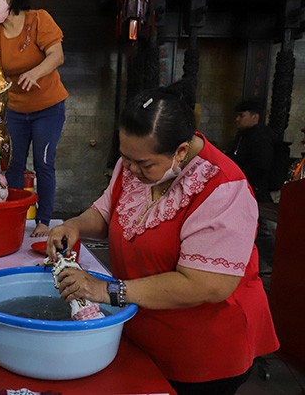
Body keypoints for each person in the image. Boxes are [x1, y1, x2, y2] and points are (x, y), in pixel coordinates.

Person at [46, 83, 278, 395]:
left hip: (204, 350)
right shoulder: (135, 163)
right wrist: (73, 225)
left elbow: (206, 284)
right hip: (142, 333)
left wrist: (104, 289)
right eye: (125, 157)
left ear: (181, 151)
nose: (129, 169)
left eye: (142, 164)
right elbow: (105, 213)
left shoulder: (222, 187)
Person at [0, 0, 68, 238]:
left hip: (48, 108)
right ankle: (11, 218)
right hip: (15, 110)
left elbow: (56, 55)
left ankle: (43, 220)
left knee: (44, 163)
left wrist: (35, 73)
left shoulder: (38, 19)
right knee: (13, 164)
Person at [229, 98, 275, 203]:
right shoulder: (242, 134)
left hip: (255, 188)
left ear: (255, 117)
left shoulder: (261, 137)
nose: (237, 119)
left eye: (241, 116)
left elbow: (261, 165)